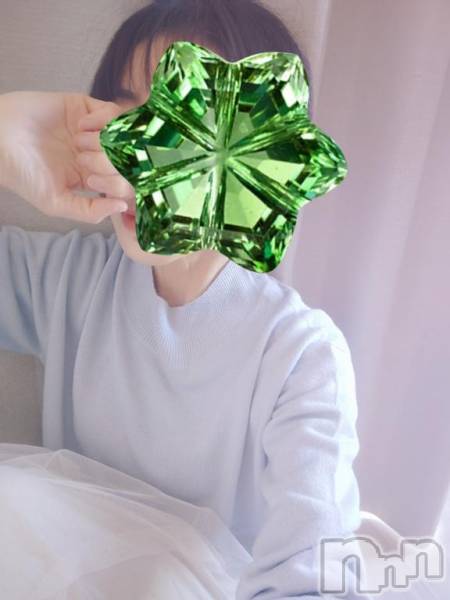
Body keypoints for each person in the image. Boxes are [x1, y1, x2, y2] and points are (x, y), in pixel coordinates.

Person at [0, 0, 366, 598]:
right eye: (124, 113)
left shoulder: (300, 354)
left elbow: (313, 567)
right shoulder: (64, 280)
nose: (139, 155)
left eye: (181, 119)